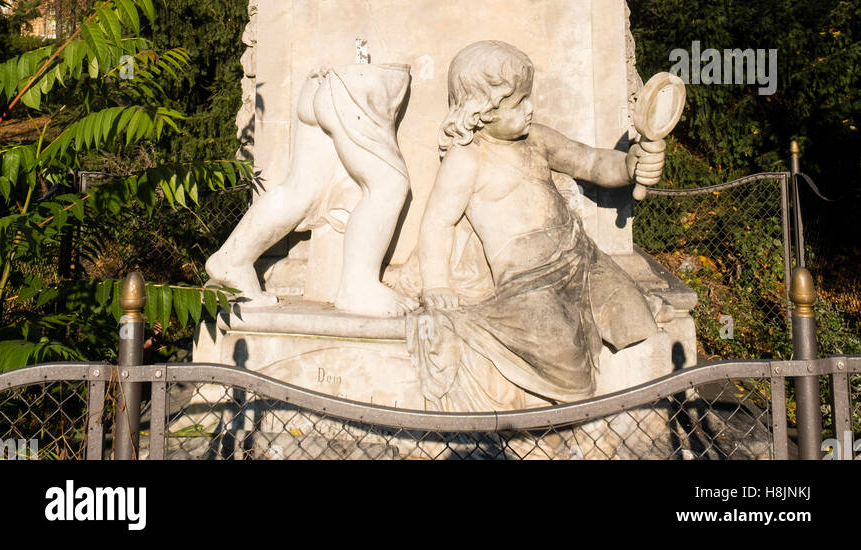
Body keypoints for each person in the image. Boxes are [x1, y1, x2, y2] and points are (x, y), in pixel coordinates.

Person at [409, 41, 665, 408]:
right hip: (528, 282)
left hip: (582, 258)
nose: (531, 108)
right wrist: (436, 283)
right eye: (518, 102)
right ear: (481, 110)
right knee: (565, 357)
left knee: (633, 317)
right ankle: (566, 428)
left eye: (530, 97)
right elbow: (437, 223)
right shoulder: (468, 159)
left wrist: (630, 165)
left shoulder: (538, 139)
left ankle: (644, 415)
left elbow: (590, 162)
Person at [206, 63, 415, 317]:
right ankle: (358, 287)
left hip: (322, 79)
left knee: (301, 191)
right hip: (360, 84)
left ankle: (233, 258)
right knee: (387, 185)